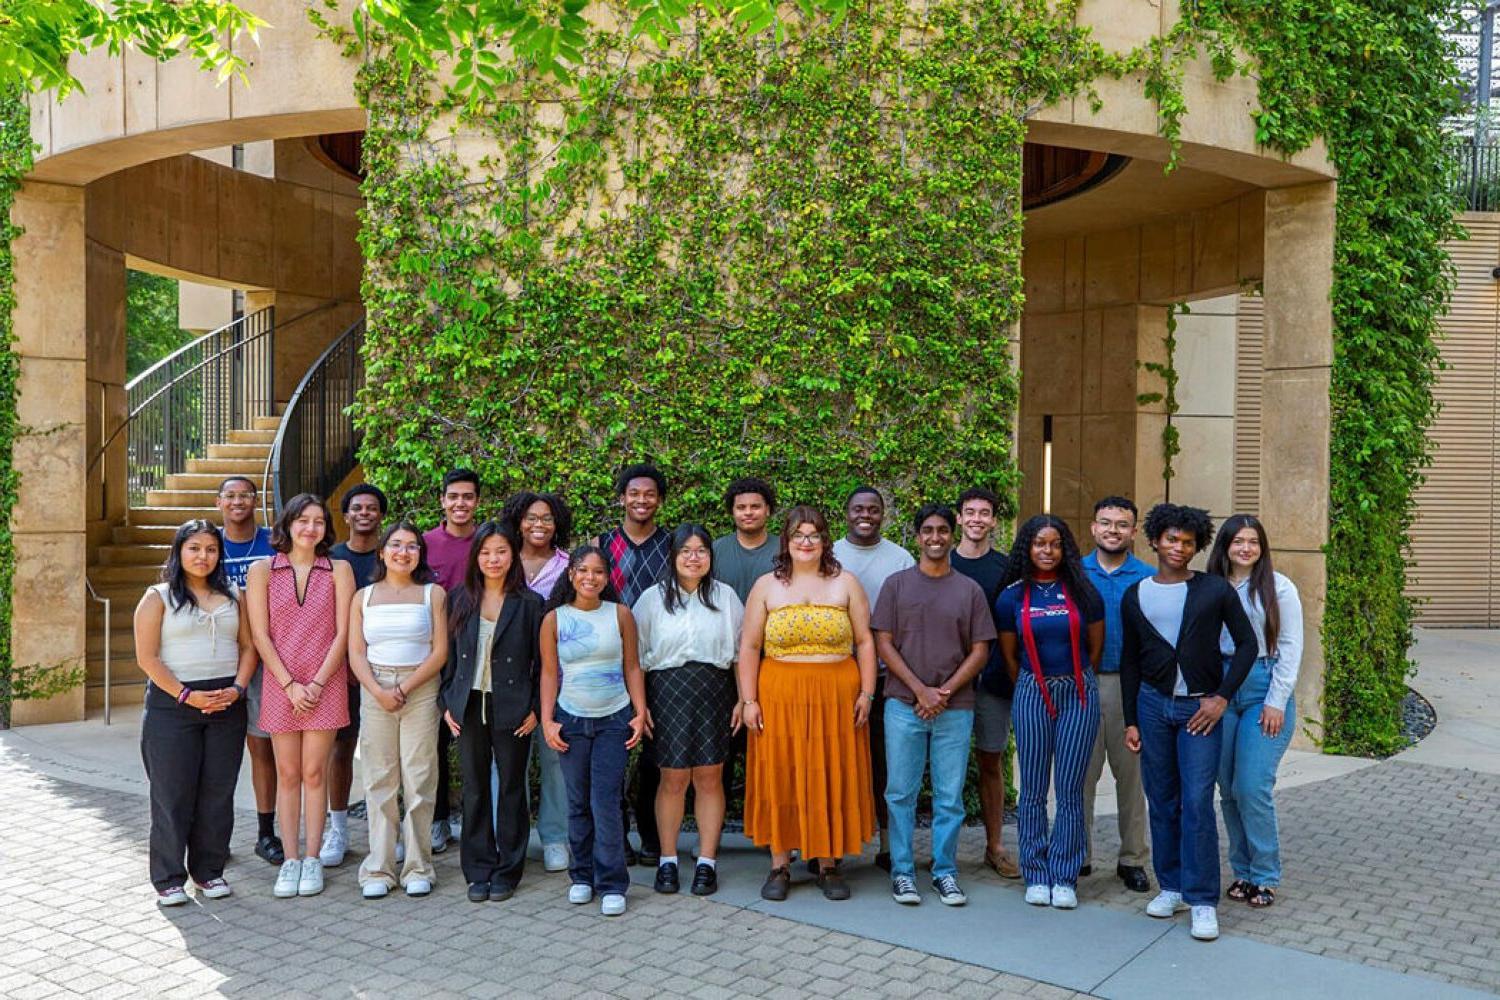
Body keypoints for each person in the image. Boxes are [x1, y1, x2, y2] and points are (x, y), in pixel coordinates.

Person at [1121, 503, 1257, 943]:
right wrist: (1130, 720)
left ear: (1198, 545)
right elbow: (1129, 662)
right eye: (1170, 539)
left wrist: (1221, 699)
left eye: (1187, 541)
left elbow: (1248, 645)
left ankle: (1202, 901)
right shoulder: (1136, 593)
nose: (1178, 547)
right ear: (1156, 540)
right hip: (1152, 707)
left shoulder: (1215, 590)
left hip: (1200, 710)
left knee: (1197, 802)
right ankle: (1173, 886)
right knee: (1161, 799)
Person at [740, 505, 877, 902]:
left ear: (824, 541)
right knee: (781, 770)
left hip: (837, 694)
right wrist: (748, 700)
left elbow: (865, 641)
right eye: (798, 535)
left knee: (829, 770)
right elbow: (749, 646)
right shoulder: (766, 586)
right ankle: (780, 864)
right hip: (779, 693)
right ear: (786, 540)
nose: (805, 542)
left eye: (813, 535)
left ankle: (828, 861)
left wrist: (867, 693)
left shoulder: (846, 582)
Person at [873, 504, 993, 907]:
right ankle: (903, 873)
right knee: (900, 793)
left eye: (943, 530)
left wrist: (941, 692)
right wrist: (920, 690)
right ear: (918, 536)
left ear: (951, 534)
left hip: (954, 709)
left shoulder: (969, 590)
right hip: (903, 706)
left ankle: (945, 872)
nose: (936, 537)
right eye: (928, 530)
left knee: (949, 796)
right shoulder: (896, 585)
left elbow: (980, 650)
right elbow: (883, 642)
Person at [134, 520, 257, 906]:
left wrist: (237, 689)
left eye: (210, 549)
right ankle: (169, 878)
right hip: (173, 705)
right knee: (173, 794)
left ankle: (209, 872)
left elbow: (249, 647)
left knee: (218, 793)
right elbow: (147, 657)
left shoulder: (235, 595)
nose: (202, 556)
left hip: (226, 703)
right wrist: (187, 695)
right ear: (179, 551)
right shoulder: (158, 596)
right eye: (194, 548)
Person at [245, 494, 355, 899]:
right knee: (287, 774)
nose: (311, 528)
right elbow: (260, 634)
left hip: (325, 683)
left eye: (319, 522)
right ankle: (289, 859)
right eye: (303, 521)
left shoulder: (339, 570)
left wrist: (317, 683)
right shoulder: (262, 570)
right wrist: (290, 684)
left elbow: (344, 633)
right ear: (288, 524)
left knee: (314, 773)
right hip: (280, 685)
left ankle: (312, 858)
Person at [995, 515, 1104, 911]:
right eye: (1039, 543)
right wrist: (1031, 686)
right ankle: (1036, 873)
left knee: (1071, 790)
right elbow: (1008, 655)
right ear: (1028, 547)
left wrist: (1071, 681)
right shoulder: (1011, 597)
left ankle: (1065, 875)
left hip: (1077, 690)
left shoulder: (1083, 592)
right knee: (1033, 790)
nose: (1047, 550)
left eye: (1055, 544)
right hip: (1031, 690)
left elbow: (1095, 648)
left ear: (1065, 549)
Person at [634, 525, 745, 897]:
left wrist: (744, 699)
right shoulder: (652, 599)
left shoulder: (725, 596)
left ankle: (706, 863)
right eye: (686, 550)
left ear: (711, 556)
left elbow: (743, 652)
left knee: (710, 777)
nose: (693, 557)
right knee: (673, 778)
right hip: (666, 691)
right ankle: (667, 861)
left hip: (715, 690)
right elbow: (635, 659)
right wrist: (640, 704)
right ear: (673, 555)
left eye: (701, 550)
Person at [539, 547, 650, 917]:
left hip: (613, 719)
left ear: (607, 577)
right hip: (570, 718)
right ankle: (581, 877)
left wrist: (640, 711)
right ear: (571, 574)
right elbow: (549, 673)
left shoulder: (620, 615)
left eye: (599, 572)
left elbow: (632, 666)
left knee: (605, 801)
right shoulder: (554, 619)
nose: (591, 577)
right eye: (583, 570)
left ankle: (612, 883)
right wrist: (547, 719)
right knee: (577, 802)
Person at [440, 521, 543, 902]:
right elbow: (447, 657)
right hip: (467, 706)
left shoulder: (530, 604)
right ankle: (478, 867)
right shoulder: (459, 598)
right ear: (475, 557)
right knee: (474, 789)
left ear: (512, 555)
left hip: (512, 708)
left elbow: (543, 664)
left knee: (513, 789)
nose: (493, 559)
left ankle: (508, 869)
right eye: (485, 552)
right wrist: (447, 701)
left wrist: (535, 708)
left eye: (500, 551)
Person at [348, 521, 450, 899]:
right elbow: (355, 651)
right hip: (375, 689)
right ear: (382, 552)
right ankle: (379, 866)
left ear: (420, 554)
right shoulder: (363, 596)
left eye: (411, 546)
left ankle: (418, 865)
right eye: (396, 545)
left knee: (420, 775)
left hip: (420, 687)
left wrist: (404, 688)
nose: (403, 552)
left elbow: (440, 651)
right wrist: (378, 689)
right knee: (379, 778)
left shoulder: (432, 594)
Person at [1207, 515, 1303, 910]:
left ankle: (1265, 874)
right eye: (1238, 541)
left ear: (1262, 548)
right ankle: (1242, 871)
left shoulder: (1279, 588)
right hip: (1221, 687)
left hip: (1264, 684)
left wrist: (1276, 700)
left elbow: (1292, 646)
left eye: (1253, 542)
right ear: (1225, 546)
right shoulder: (1209, 586)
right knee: (1227, 788)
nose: (1245, 548)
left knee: (1252, 787)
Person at [832, 485, 913, 870]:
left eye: (874, 509)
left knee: (887, 764)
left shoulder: (900, 558)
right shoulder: (828, 554)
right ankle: (830, 844)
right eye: (858, 508)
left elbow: (909, 617)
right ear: (846, 513)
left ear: (883, 514)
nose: (866, 514)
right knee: (835, 763)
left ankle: (887, 845)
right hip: (836, 676)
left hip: (886, 678)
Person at [595, 463, 671, 866]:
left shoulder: (673, 545)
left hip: (658, 660)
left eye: (650, 494)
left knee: (654, 755)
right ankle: (615, 837)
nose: (641, 500)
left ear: (658, 500)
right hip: (610, 659)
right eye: (634, 493)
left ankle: (651, 833)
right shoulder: (604, 543)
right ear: (622, 497)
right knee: (614, 752)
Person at [1081, 496, 1155, 893]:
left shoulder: (1148, 578)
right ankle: (1080, 854)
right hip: (1083, 684)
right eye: (1105, 522)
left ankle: (1132, 859)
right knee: (1081, 777)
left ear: (1134, 530)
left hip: (1132, 688)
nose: (1113, 530)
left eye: (1122, 524)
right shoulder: (1073, 573)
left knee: (1132, 780)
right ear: (1093, 528)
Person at [948, 486, 1019, 879]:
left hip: (992, 682)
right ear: (959, 518)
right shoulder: (942, 562)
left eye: (984, 513)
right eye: (970, 512)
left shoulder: (1006, 569)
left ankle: (995, 846)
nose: (976, 519)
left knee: (991, 761)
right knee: (949, 767)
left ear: (993, 520)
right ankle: (946, 853)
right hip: (949, 684)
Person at [502, 489, 573, 872]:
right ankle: (507, 836)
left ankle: (555, 837)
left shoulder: (567, 565)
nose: (539, 525)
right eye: (531, 517)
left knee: (556, 759)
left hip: (557, 680)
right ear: (518, 521)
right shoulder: (502, 560)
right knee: (508, 762)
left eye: (547, 518)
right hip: (508, 682)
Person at [214, 476, 281, 866]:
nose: (238, 502)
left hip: (263, 661)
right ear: (219, 501)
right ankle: (213, 837)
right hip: (219, 658)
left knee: (262, 751)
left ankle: (265, 832)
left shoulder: (273, 543)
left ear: (255, 500)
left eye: (245, 495)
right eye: (230, 496)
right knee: (218, 757)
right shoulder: (208, 544)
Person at [321, 482, 387, 869]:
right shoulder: (331, 560)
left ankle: (385, 831)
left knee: (383, 754)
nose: (364, 513)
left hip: (386, 673)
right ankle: (339, 829)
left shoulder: (392, 555)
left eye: (372, 508)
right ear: (345, 516)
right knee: (340, 751)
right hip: (340, 673)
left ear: (380, 515)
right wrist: (342, 667)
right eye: (357, 508)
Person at [424, 468, 482, 856]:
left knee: (476, 741)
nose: (460, 503)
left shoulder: (488, 542)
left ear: (477, 501)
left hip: (478, 656)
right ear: (443, 500)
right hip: (431, 656)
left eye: (468, 497)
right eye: (453, 496)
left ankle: (481, 823)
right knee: (431, 743)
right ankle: (437, 819)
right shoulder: (425, 544)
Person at [713, 477, 779, 603]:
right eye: (741, 507)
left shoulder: (786, 549)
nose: (748, 512)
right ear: (732, 512)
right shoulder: (715, 550)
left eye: (755, 506)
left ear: (768, 510)